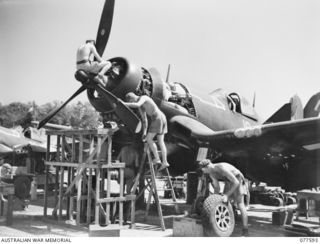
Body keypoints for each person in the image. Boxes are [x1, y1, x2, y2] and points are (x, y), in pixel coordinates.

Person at [198, 159, 249, 237]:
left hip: (237, 178)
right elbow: (217, 188)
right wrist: (213, 202)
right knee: (224, 201)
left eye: (203, 170)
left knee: (240, 204)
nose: (203, 172)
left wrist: (227, 195)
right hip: (228, 180)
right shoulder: (211, 173)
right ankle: (226, 227)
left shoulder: (220, 167)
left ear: (208, 166)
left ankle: (245, 230)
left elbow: (235, 182)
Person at [124, 92, 169, 171]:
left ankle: (157, 159)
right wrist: (144, 132)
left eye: (131, 102)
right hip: (161, 117)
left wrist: (124, 104)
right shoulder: (141, 106)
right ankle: (165, 162)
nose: (132, 103)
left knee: (149, 139)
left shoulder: (143, 97)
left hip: (157, 117)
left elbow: (137, 104)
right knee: (160, 141)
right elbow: (144, 120)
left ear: (132, 98)